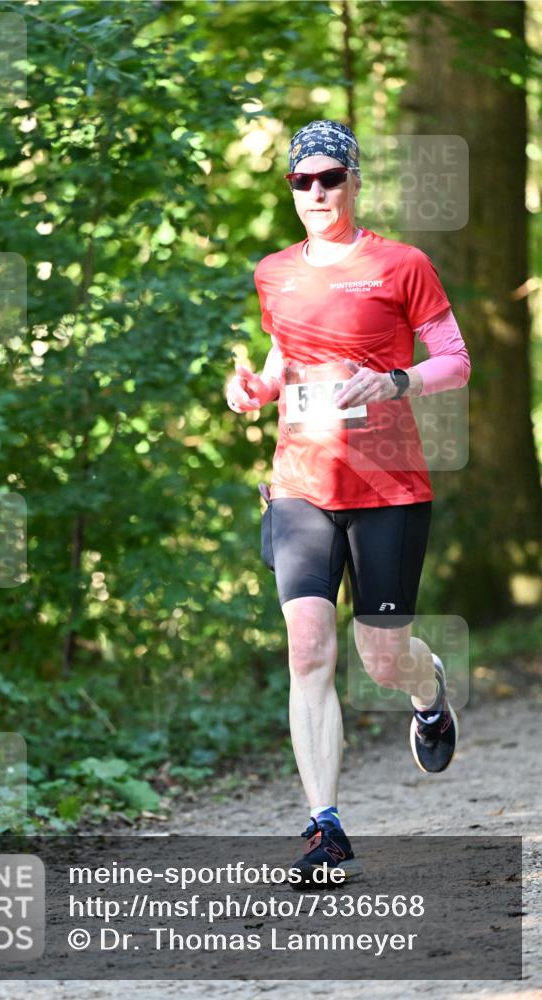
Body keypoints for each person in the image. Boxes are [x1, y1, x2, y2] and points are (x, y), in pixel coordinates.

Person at [225, 120, 471, 883]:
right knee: (307, 649)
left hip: (388, 488)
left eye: (329, 178)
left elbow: (455, 362)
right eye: (302, 181)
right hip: (300, 483)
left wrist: (397, 382)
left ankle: (427, 696)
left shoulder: (401, 264)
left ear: (353, 180)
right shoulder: (273, 271)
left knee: (380, 656)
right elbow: (284, 357)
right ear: (290, 188)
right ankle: (322, 826)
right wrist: (257, 390)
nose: (316, 192)